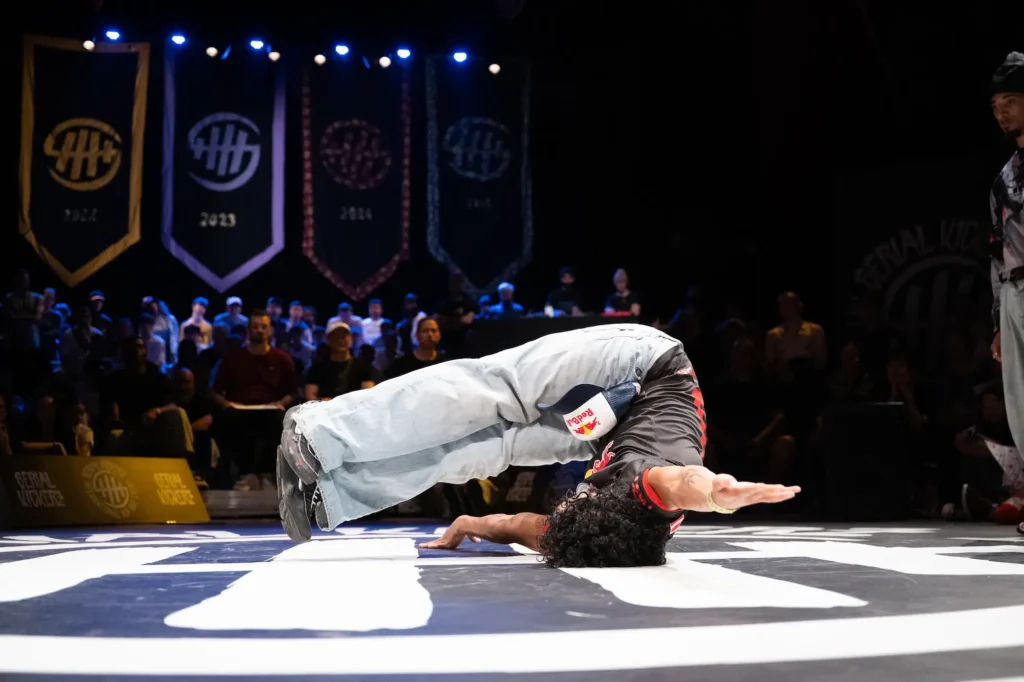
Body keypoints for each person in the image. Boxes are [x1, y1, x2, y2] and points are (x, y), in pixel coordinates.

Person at [277, 324, 800, 565]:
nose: (562, 499)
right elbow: (686, 482)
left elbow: (522, 526)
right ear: (600, 499)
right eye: (574, 502)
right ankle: (320, 433)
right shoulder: (650, 491)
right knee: (496, 391)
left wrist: (466, 524)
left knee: (487, 451)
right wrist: (722, 492)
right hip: (644, 370)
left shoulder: (589, 538)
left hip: (600, 431)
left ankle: (331, 494)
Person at [987, 52, 1024, 537]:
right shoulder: (1003, 177)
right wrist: (997, 320)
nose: (1001, 112)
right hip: (1014, 292)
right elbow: (995, 252)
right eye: (997, 103)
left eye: (1011, 102)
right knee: (1018, 400)